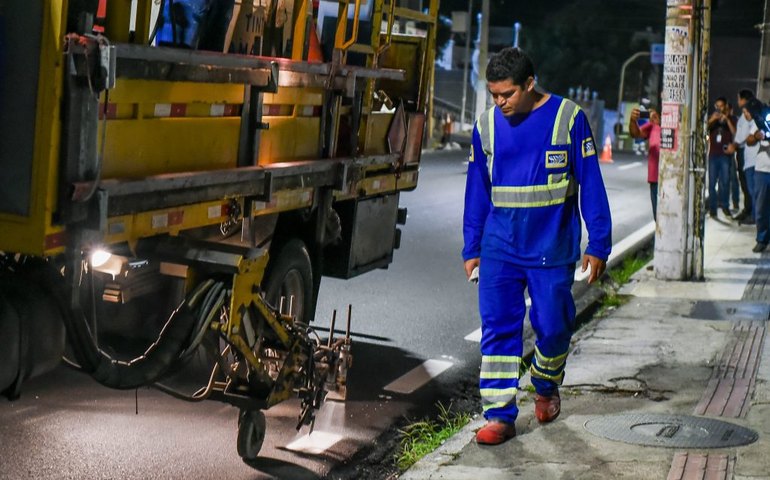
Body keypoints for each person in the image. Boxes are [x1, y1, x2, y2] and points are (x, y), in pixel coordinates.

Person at [462, 47, 612, 445]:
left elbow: (591, 184)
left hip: (551, 247)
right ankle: (499, 415)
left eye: (507, 94)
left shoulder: (569, 119)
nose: (500, 102)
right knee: (498, 329)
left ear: (530, 84)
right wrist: (471, 246)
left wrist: (599, 242)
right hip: (500, 248)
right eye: (494, 95)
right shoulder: (487, 127)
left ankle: (545, 382)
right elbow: (477, 190)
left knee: (555, 323)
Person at [628, 106, 661, 220]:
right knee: (658, 217)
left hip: (673, 179)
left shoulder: (677, 126)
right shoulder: (653, 127)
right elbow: (635, 133)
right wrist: (633, 120)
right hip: (655, 180)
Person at [707, 97, 737, 218]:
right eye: (717, 106)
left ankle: (725, 206)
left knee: (725, 182)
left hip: (725, 156)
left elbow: (735, 132)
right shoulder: (713, 118)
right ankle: (713, 209)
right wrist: (712, 119)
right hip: (713, 154)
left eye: (721, 106)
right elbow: (704, 129)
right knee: (712, 183)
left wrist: (727, 120)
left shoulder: (732, 119)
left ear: (725, 106)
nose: (719, 108)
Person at [731, 90, 758, 224]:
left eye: (739, 99)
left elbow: (747, 137)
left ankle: (753, 215)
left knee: (751, 189)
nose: (738, 102)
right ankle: (749, 212)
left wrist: (735, 145)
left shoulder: (753, 117)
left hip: (750, 157)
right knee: (747, 186)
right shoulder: (745, 116)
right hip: (746, 156)